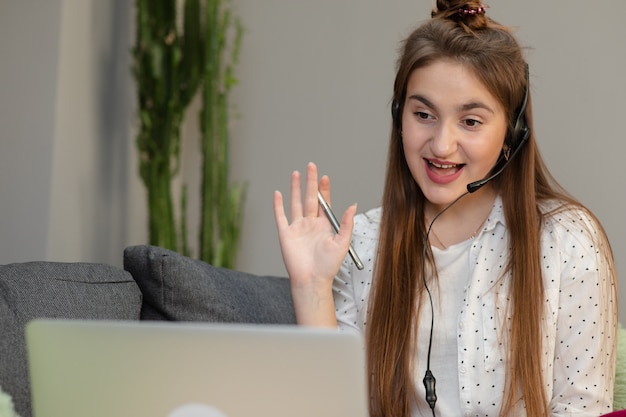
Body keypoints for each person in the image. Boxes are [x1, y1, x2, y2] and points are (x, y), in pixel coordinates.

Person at [273, 1, 618, 416]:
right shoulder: (361, 244)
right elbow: (334, 409)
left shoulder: (569, 240)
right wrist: (311, 286)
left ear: (513, 133)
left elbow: (581, 406)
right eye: (424, 115)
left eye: (470, 121)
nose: (441, 145)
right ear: (400, 118)